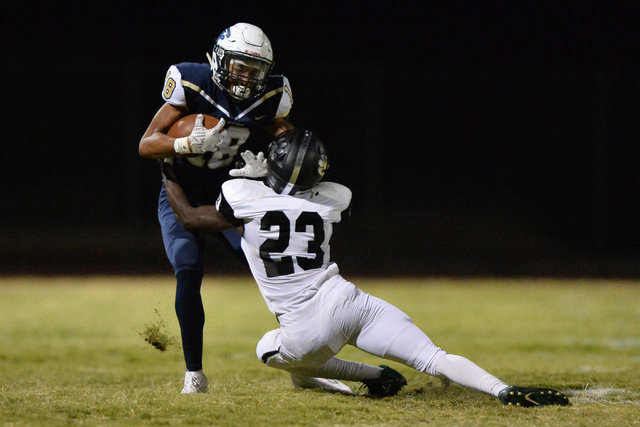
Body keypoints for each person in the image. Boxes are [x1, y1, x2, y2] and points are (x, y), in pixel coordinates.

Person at [161, 128, 571, 407]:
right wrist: (276, 179)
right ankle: (504, 390)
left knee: (268, 349)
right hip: (351, 300)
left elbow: (191, 219)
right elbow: (320, 190)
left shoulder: (241, 192)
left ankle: (372, 375)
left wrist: (167, 170)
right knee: (433, 356)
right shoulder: (332, 198)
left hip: (307, 328)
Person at [138, 22, 350, 395]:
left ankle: (303, 362)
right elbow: (147, 144)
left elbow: (288, 141)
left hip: (231, 191)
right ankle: (194, 375)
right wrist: (184, 147)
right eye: (239, 67)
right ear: (221, 60)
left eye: (254, 71)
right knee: (188, 270)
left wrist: (276, 166)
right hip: (181, 189)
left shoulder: (270, 97)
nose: (245, 77)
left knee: (280, 274)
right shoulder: (191, 82)